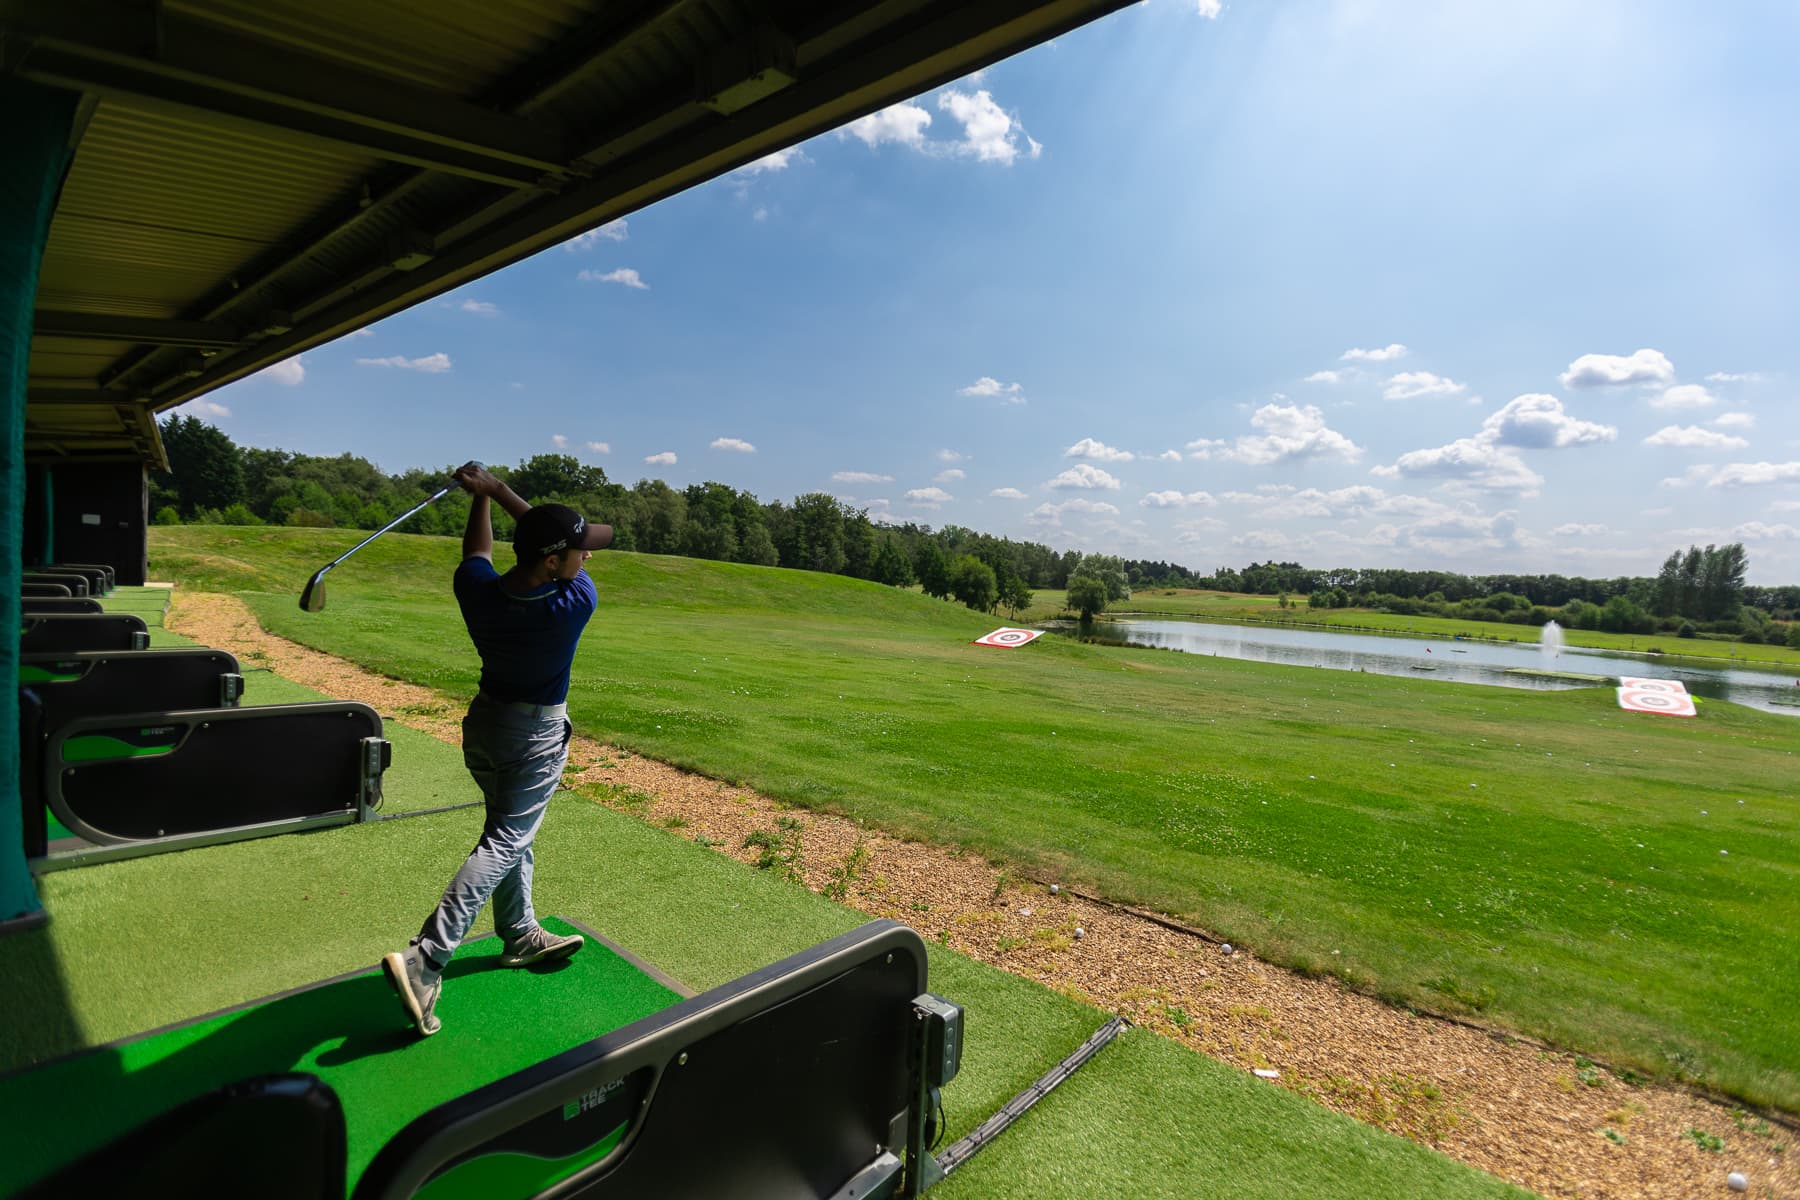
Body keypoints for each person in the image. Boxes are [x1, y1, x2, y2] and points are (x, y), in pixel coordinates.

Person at [383, 461, 613, 1037]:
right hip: (532, 734)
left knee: (510, 831)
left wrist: (480, 498)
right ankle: (427, 959)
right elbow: (530, 536)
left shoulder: (478, 592)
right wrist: (499, 491)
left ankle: (520, 933)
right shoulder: (573, 603)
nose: (588, 558)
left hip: (484, 726)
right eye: (580, 550)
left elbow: (478, 554)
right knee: (508, 837)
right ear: (554, 562)